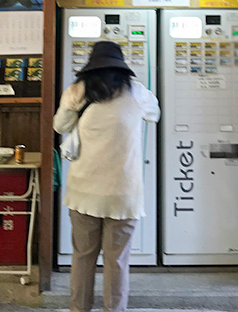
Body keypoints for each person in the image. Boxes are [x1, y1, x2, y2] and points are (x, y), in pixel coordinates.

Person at [54, 41, 160, 312]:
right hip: (124, 195)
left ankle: (79, 309)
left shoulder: (77, 91)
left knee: (83, 258)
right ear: (121, 67)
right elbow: (154, 114)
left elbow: (60, 125)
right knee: (117, 262)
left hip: (83, 193)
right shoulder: (136, 92)